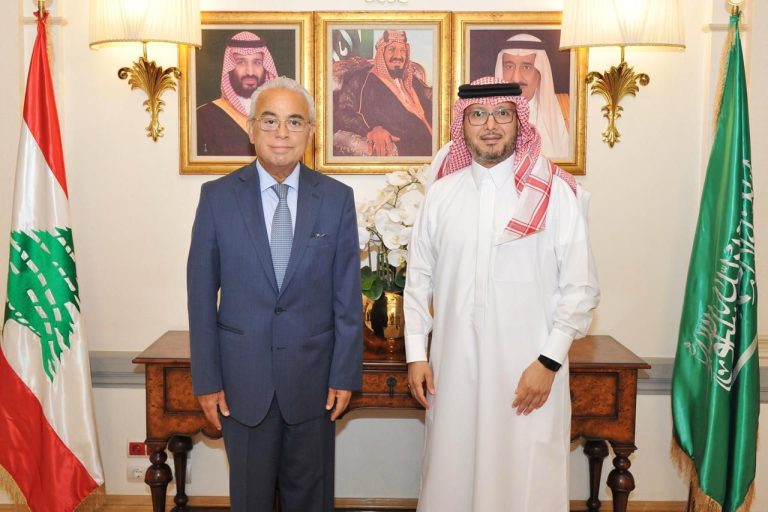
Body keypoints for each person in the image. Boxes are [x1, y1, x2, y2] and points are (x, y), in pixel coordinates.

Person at [404, 76, 600, 511]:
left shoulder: (554, 193)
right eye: (477, 114)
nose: (490, 125)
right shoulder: (441, 195)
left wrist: (548, 362)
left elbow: (581, 287)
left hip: (528, 374)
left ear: (519, 121)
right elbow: (418, 279)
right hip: (453, 370)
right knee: (452, 475)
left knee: (525, 482)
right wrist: (416, 354)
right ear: (463, 125)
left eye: (502, 114)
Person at [187, 76, 363, 511]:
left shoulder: (337, 199)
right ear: (251, 129)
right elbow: (200, 297)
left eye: (294, 121)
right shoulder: (217, 198)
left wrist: (344, 375)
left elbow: (347, 297)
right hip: (241, 387)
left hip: (314, 386)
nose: (282, 132)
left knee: (311, 502)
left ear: (310, 131)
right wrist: (207, 381)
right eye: (269, 121)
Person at [334, 29, 433, 157]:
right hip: (406, 150)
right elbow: (343, 113)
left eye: (402, 50)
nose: (398, 55)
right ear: (381, 53)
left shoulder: (411, 80)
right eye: (391, 49)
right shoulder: (361, 79)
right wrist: (372, 130)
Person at [196, 31, 278, 157]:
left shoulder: (282, 114)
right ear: (229, 68)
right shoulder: (203, 117)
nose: (250, 72)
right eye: (241, 62)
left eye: (257, 62)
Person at [495, 34, 570, 159]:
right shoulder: (485, 118)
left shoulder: (565, 110)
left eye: (526, 67)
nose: (516, 78)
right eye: (509, 66)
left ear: (540, 74)